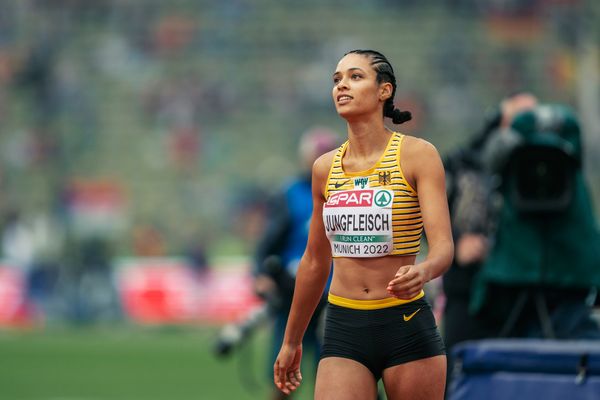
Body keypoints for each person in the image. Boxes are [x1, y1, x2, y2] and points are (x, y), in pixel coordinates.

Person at [273, 49, 454, 400]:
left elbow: (444, 247)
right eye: (337, 79)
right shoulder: (324, 168)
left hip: (405, 323)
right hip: (344, 325)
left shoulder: (418, 155)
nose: (342, 85)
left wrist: (425, 270)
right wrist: (292, 340)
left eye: (355, 77)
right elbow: (313, 261)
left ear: (384, 90)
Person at [441, 92, 539, 389]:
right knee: (460, 377)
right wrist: (455, 244)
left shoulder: (539, 168)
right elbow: (423, 214)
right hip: (467, 292)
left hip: (520, 291)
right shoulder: (461, 165)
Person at [253, 127, 339, 400]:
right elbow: (268, 244)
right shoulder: (289, 194)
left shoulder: (350, 192)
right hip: (296, 296)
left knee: (335, 379)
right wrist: (260, 274)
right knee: (283, 379)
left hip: (338, 297)